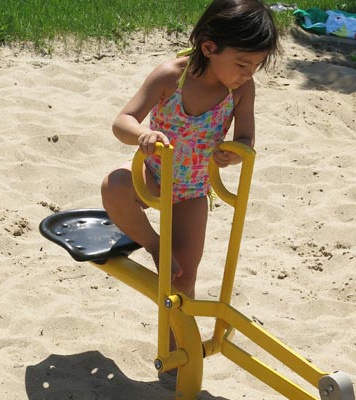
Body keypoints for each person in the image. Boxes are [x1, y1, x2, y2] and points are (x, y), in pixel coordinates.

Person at [101, 0, 279, 302]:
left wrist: (235, 153)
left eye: (256, 66)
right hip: (153, 173)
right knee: (114, 185)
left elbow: (246, 139)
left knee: (182, 280)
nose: (248, 74)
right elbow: (122, 122)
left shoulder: (240, 90)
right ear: (209, 47)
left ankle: (178, 334)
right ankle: (155, 245)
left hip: (192, 189)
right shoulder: (170, 76)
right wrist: (143, 134)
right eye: (242, 65)